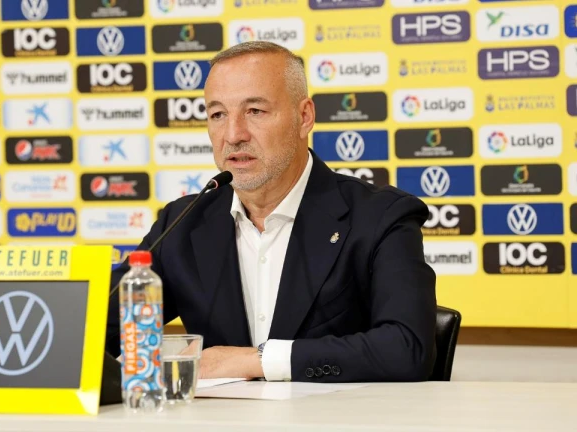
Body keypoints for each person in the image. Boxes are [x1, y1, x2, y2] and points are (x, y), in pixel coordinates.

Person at [107, 41, 437, 382]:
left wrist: (257, 361)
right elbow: (94, 331)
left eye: (255, 111)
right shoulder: (183, 223)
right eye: (218, 114)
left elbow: (408, 349)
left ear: (304, 117)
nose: (233, 135)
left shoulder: (380, 217)